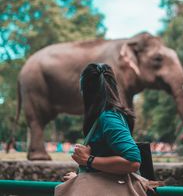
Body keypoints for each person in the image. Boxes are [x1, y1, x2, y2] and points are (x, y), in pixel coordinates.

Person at [55, 63, 148, 196]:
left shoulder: (109, 118)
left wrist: (88, 160)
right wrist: (80, 177)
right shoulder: (106, 117)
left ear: (85, 90)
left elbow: (133, 161)